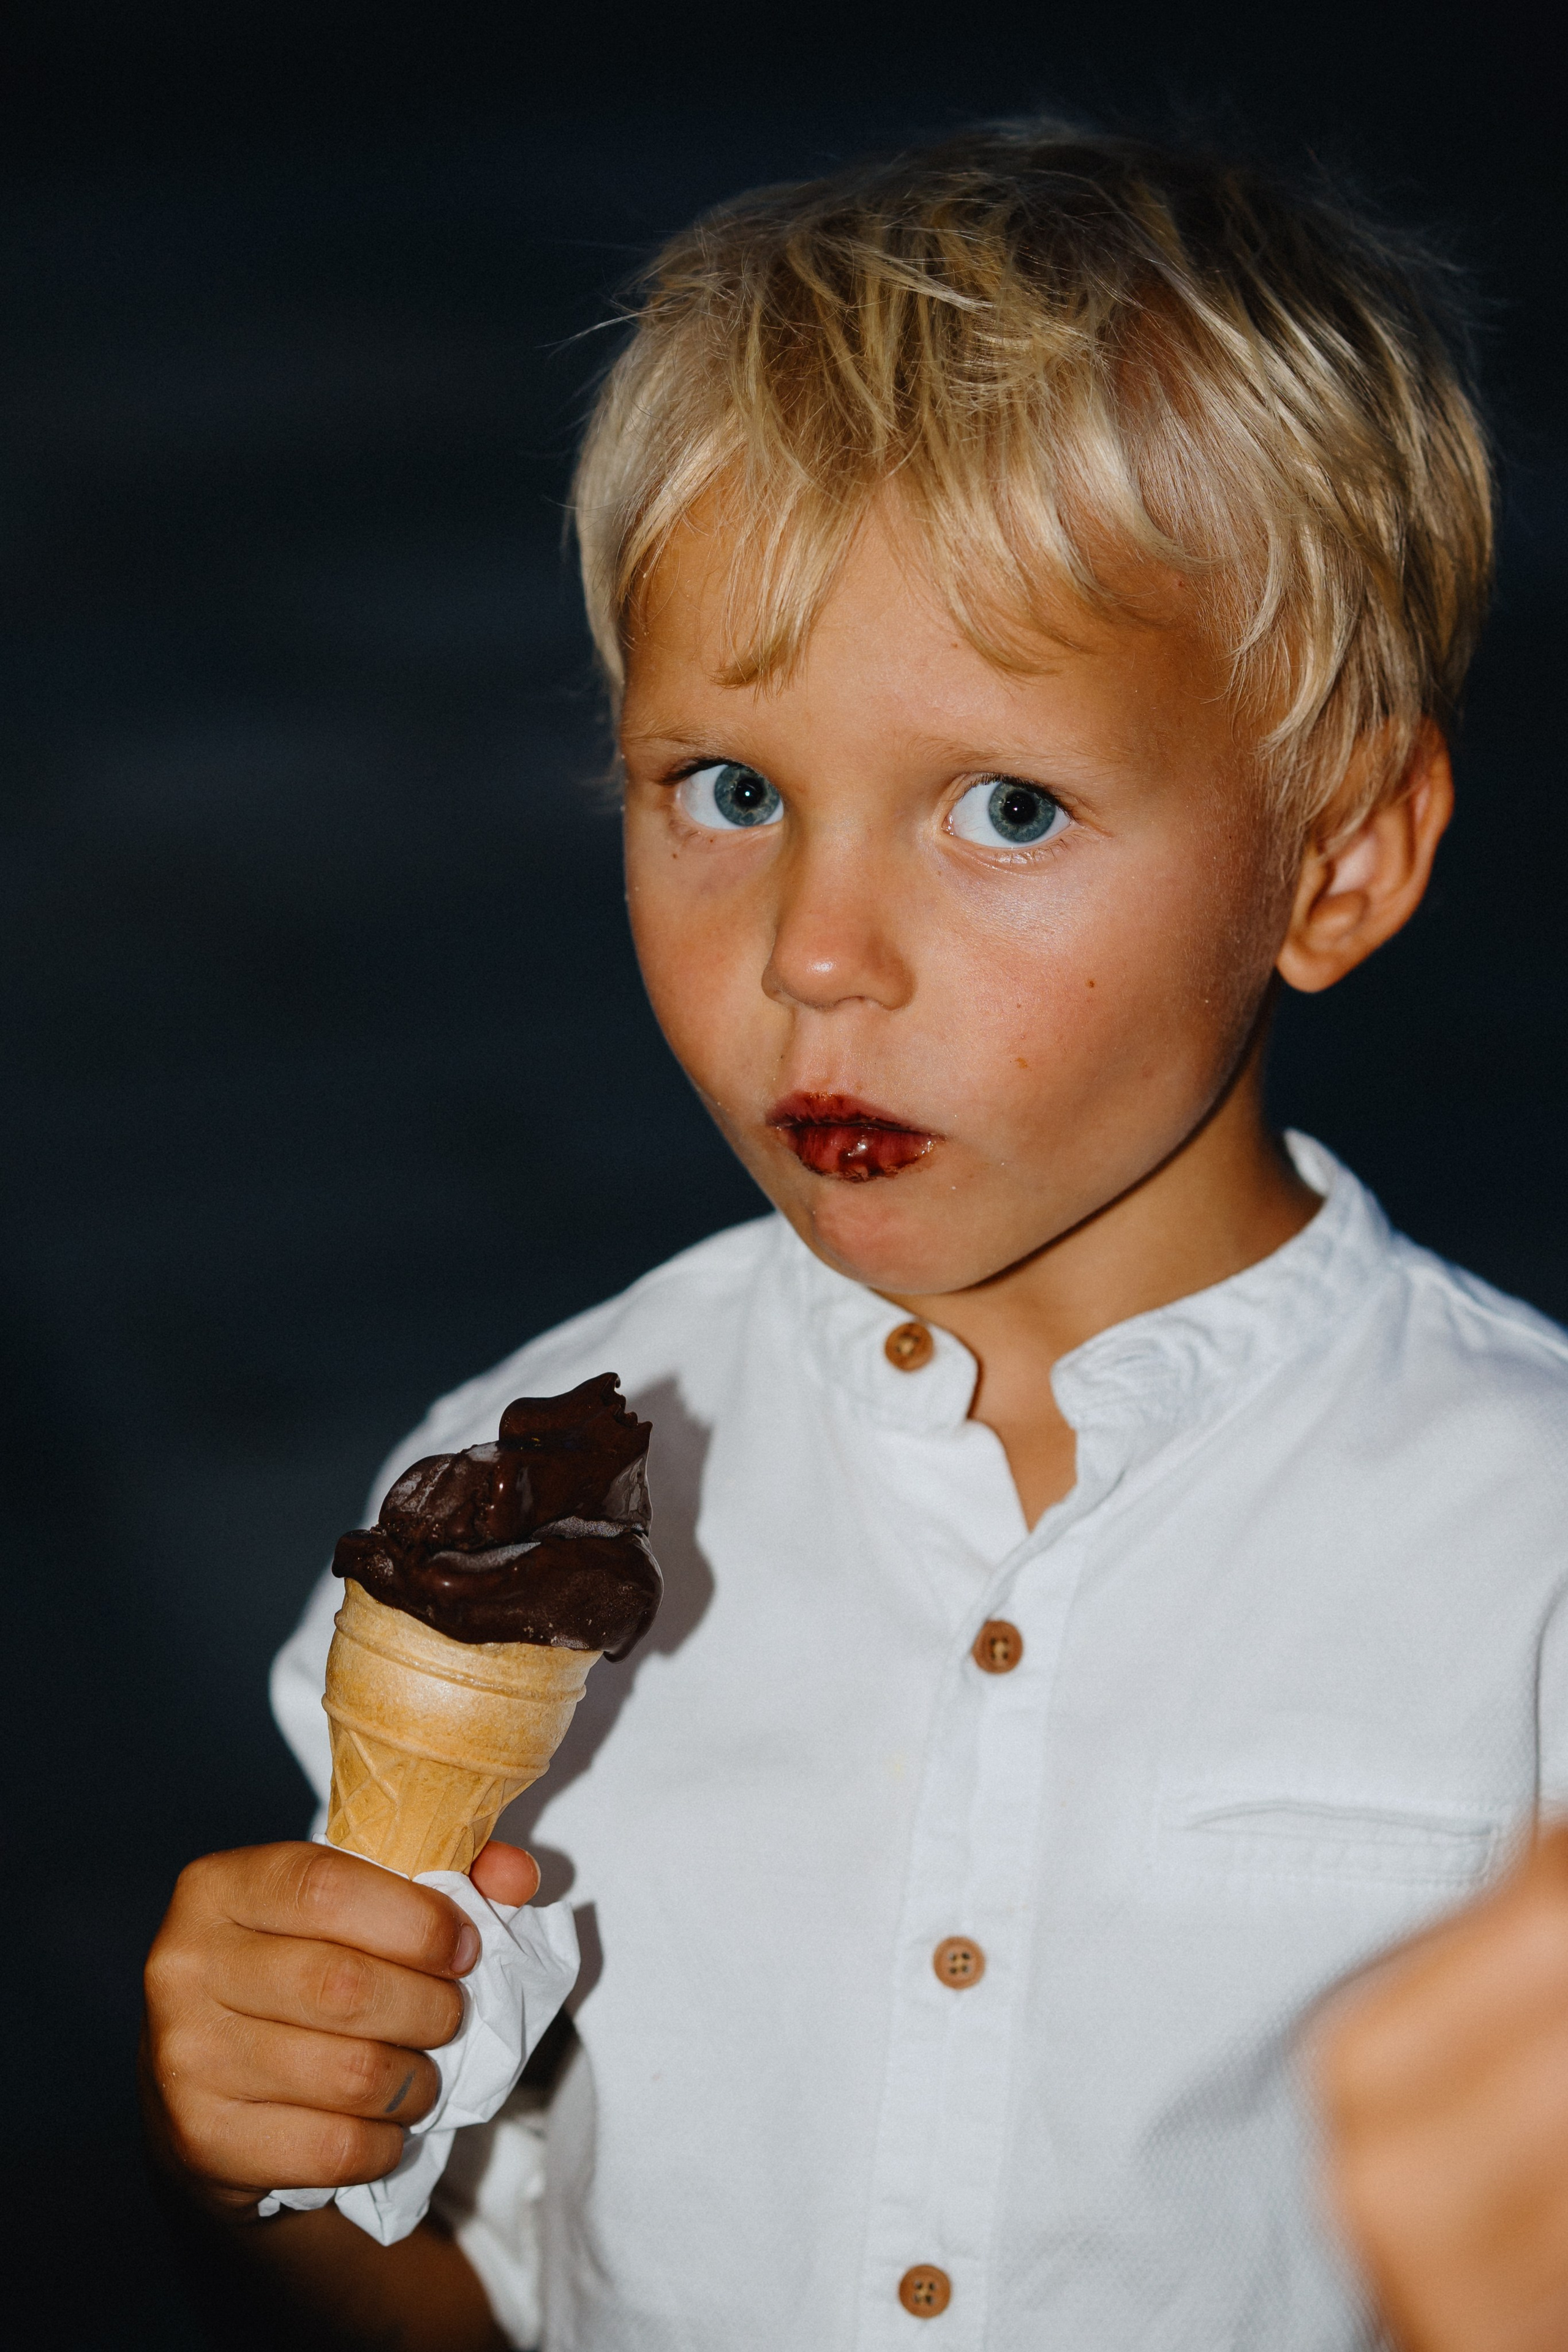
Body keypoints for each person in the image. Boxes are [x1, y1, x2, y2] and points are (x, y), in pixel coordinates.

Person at [140, 121, 1568, 2350]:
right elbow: (455, 2269)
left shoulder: (1529, 1546)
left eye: (1006, 808)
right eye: (729, 789)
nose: (819, 953)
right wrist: (275, 2140)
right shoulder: (514, 1491)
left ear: (1341, 861)